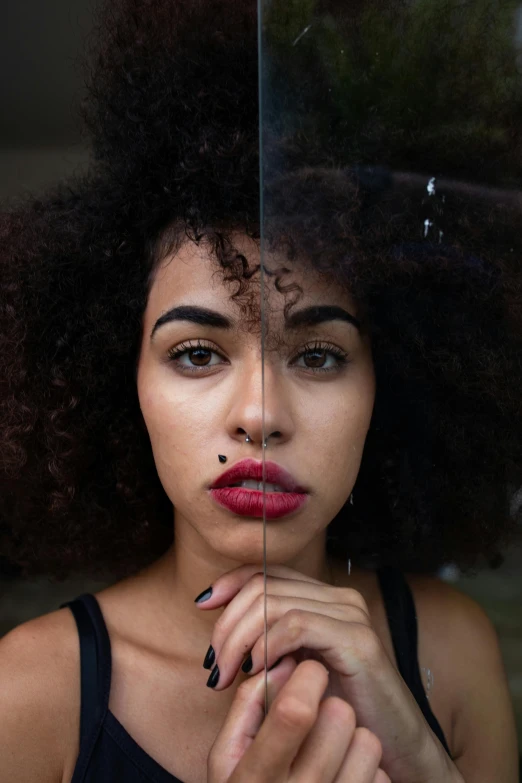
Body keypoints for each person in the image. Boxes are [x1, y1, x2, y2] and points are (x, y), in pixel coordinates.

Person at [1, 1, 521, 781]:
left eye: (318, 356)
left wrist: (421, 761)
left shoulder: (452, 647)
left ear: (395, 385)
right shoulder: (28, 690)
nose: (259, 416)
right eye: (198, 352)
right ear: (122, 382)